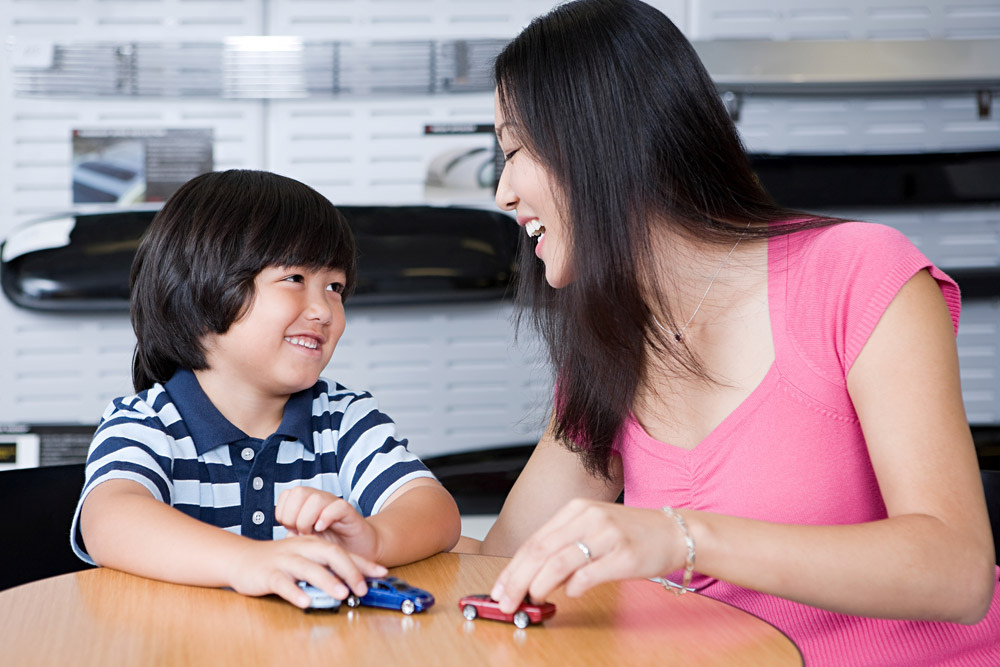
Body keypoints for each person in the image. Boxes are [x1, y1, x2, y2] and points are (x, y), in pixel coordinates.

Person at [476, 1, 1000, 664]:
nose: (502, 192)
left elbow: (958, 570)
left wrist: (680, 538)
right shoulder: (609, 347)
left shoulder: (857, 271)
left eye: (513, 150)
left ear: (594, 141)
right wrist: (370, 541)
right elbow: (504, 560)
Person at [71, 169, 461, 608]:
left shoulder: (343, 418)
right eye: (295, 278)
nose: (323, 310)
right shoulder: (146, 422)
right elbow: (108, 522)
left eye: (335, 287)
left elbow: (437, 512)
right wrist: (248, 561)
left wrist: (372, 539)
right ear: (202, 291)